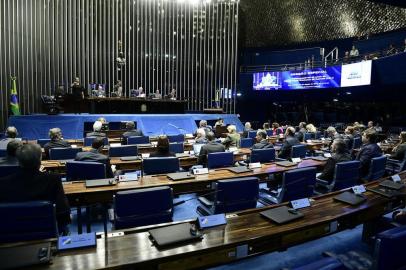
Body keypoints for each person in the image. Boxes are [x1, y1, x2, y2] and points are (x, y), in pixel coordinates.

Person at [0, 144, 71, 230]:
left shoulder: (3, 183)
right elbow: (63, 211)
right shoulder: (52, 178)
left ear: (18, 160)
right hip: (46, 231)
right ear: (40, 159)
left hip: (11, 231)